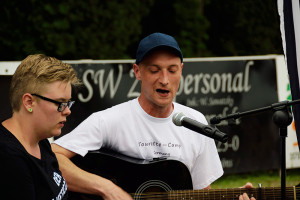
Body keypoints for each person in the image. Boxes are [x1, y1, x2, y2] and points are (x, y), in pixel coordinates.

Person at [51, 33, 254, 200]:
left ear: (181, 71)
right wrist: (107, 188)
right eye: (155, 70)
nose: (164, 80)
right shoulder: (108, 120)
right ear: (138, 72)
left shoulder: (196, 122)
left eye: (172, 70)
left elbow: (201, 193)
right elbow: (51, 158)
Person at [0, 54, 81, 199]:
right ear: (29, 102)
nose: (67, 111)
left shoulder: (40, 141)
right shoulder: (9, 160)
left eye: (68, 103)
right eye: (60, 103)